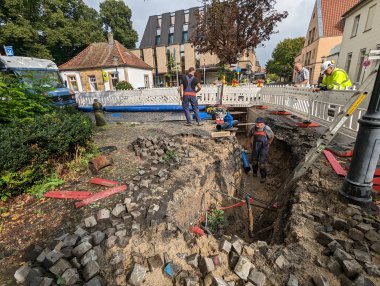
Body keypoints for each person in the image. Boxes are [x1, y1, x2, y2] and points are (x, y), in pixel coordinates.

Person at [246, 117, 274, 183]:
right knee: (254, 160)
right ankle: (255, 172)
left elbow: (272, 136)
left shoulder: (266, 128)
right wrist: (249, 143)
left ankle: (263, 177)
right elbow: (249, 136)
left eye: (259, 123)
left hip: (264, 146)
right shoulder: (253, 128)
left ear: (262, 123)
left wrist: (269, 143)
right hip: (255, 145)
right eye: (257, 123)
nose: (257, 125)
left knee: (262, 163)